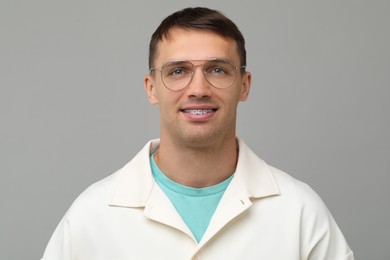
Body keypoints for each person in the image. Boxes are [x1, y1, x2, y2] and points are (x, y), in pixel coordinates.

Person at [42, 7, 354, 260]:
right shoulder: (92, 216)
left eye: (217, 69)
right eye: (178, 71)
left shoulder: (299, 212)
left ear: (244, 85)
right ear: (152, 89)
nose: (199, 89)